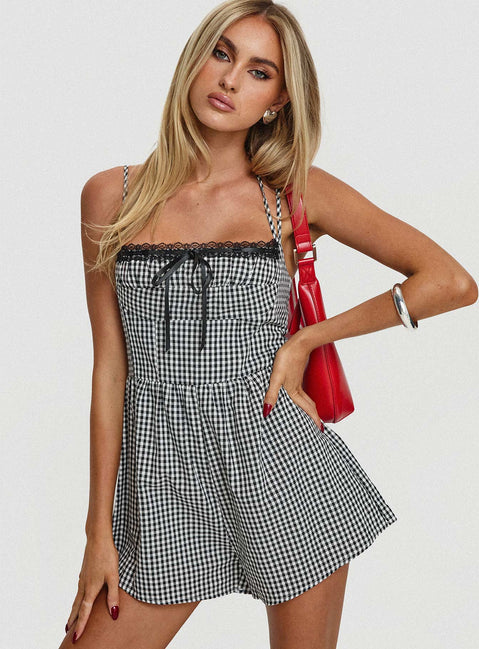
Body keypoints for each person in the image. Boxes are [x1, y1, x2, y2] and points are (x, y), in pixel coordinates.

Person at [59, 1, 477, 648]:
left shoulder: (293, 192)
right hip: (162, 485)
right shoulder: (110, 196)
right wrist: (98, 533)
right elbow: (110, 369)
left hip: (283, 475)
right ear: (195, 59)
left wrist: (308, 338)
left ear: (278, 101)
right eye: (222, 54)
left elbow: (449, 282)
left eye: (259, 72)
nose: (230, 80)